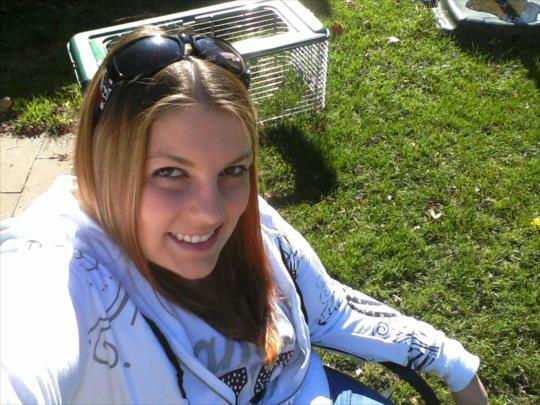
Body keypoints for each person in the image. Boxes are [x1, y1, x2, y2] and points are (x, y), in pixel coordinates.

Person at [0, 26, 488, 404]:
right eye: (170, 172)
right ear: (104, 160)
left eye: (233, 169)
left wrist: (455, 366)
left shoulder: (256, 222)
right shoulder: (60, 270)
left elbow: (329, 309)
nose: (212, 212)